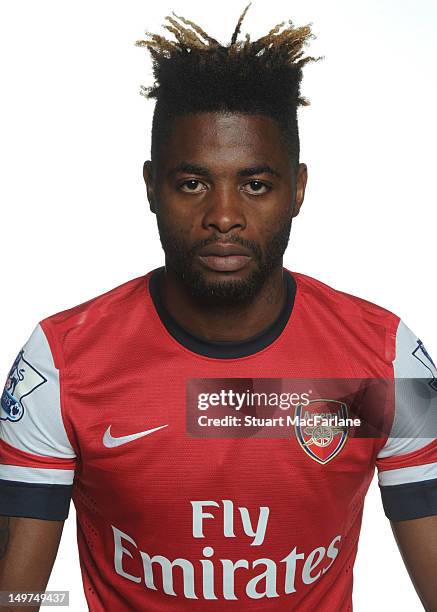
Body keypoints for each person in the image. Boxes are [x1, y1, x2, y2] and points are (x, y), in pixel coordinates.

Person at [1, 6, 436, 611]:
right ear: (151, 186)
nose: (224, 216)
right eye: (192, 183)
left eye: (255, 184)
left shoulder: (388, 357)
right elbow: (14, 595)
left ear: (299, 188)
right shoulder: (61, 362)